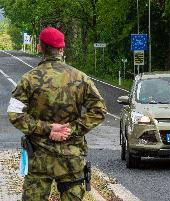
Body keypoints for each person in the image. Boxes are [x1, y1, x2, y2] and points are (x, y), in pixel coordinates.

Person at [7, 27, 107, 200]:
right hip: (72, 159)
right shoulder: (80, 78)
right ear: (62, 48)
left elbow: (14, 114)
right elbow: (99, 110)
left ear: (40, 47)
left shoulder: (28, 79)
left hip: (39, 159)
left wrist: (47, 129)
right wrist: (72, 129)